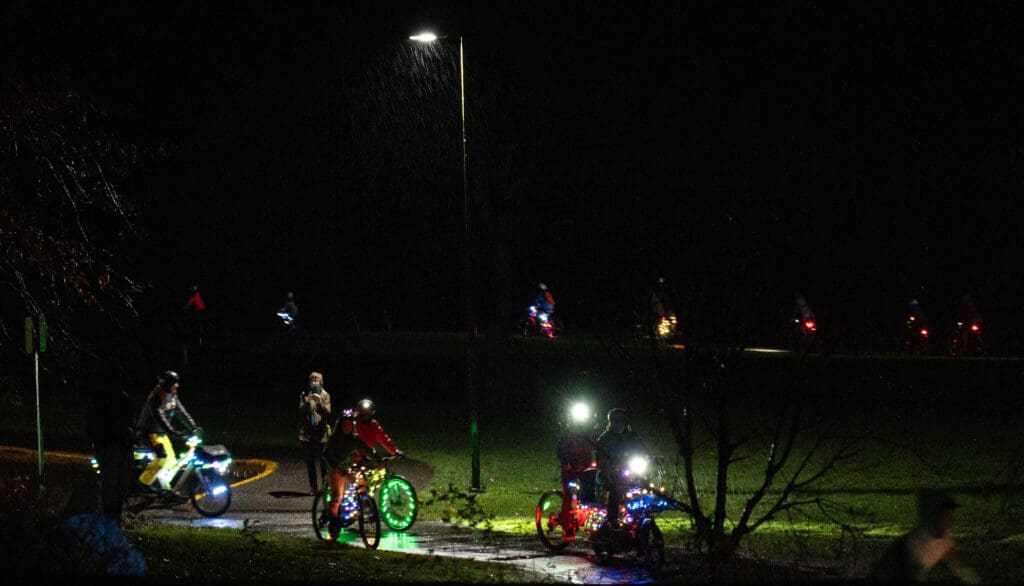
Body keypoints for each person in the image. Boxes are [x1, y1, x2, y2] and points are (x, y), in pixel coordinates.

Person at [322, 398, 403, 541]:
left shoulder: (355, 439)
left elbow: (367, 450)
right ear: (340, 426)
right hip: (337, 470)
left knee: (363, 487)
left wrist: (378, 460)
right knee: (337, 498)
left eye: (349, 425)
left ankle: (361, 508)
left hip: (351, 468)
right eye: (344, 425)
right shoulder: (335, 439)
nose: (347, 427)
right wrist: (336, 467)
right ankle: (334, 525)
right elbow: (326, 454)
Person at [869, 489, 980, 583]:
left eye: (950, 515)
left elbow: (956, 560)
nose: (951, 520)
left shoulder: (942, 536)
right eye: (946, 515)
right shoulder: (918, 542)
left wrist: (971, 577)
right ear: (934, 516)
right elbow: (909, 572)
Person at [135, 370, 201, 491]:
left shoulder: (172, 396)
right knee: (162, 458)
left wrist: (194, 427)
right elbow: (159, 417)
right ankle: (143, 484)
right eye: (174, 383)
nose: (177, 385)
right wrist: (173, 432)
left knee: (171, 461)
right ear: (167, 384)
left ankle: (165, 489)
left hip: (160, 433)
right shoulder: (156, 397)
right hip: (149, 433)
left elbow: (181, 412)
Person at [86, 370, 136, 525]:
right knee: (111, 483)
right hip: (109, 446)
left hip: (122, 446)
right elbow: (92, 424)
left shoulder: (122, 397)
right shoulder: (100, 399)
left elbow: (129, 422)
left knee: (120, 483)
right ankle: (110, 516)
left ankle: (115, 515)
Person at [595, 408, 646, 527]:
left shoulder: (632, 437)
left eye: (621, 421)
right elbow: (600, 456)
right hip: (610, 473)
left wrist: (649, 458)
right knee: (615, 489)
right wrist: (606, 465)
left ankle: (638, 515)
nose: (618, 424)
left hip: (628, 470)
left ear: (625, 423)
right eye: (615, 421)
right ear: (610, 423)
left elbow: (641, 450)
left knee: (643, 487)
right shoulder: (605, 438)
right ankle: (612, 519)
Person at [555, 402, 597, 542]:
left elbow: (594, 449)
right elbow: (561, 451)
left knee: (594, 492)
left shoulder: (587, 434)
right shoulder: (567, 435)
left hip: (585, 467)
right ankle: (567, 528)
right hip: (570, 468)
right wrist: (568, 463)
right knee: (568, 493)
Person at [298, 371, 332, 493]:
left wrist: (319, 402)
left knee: (323, 462)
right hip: (307, 435)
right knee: (310, 462)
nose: (314, 383)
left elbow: (327, 413)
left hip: (321, 434)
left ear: (321, 382)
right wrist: (308, 401)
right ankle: (313, 487)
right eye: (312, 381)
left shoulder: (325, 395)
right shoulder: (304, 394)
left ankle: (324, 486)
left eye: (317, 381)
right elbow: (301, 411)